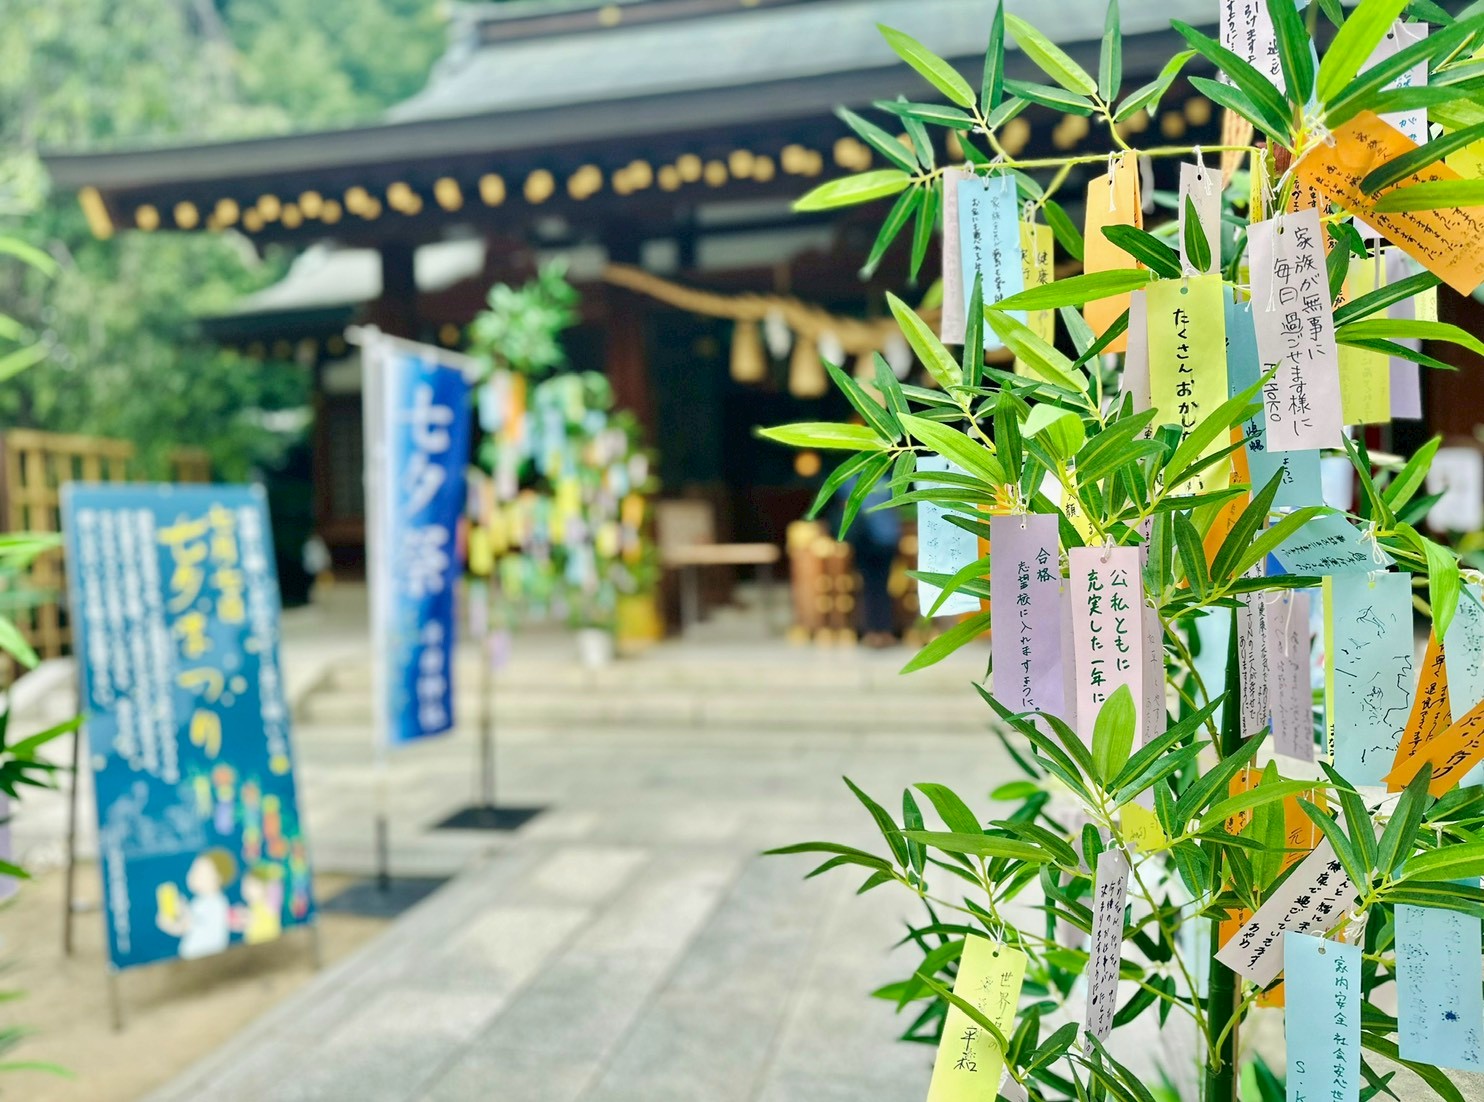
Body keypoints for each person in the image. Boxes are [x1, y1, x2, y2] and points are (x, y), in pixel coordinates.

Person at [834, 475, 901, 648]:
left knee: (869, 586)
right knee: (882, 586)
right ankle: (885, 631)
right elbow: (895, 509)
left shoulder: (850, 482)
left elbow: (845, 508)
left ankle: (872, 632)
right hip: (886, 538)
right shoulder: (886, 481)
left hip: (864, 540)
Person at [157, 848, 236, 959]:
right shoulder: (201, 901)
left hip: (204, 960)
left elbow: (184, 926)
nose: (193, 875)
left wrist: (170, 922)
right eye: (193, 870)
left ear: (218, 878)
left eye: (201, 872)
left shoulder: (215, 903)